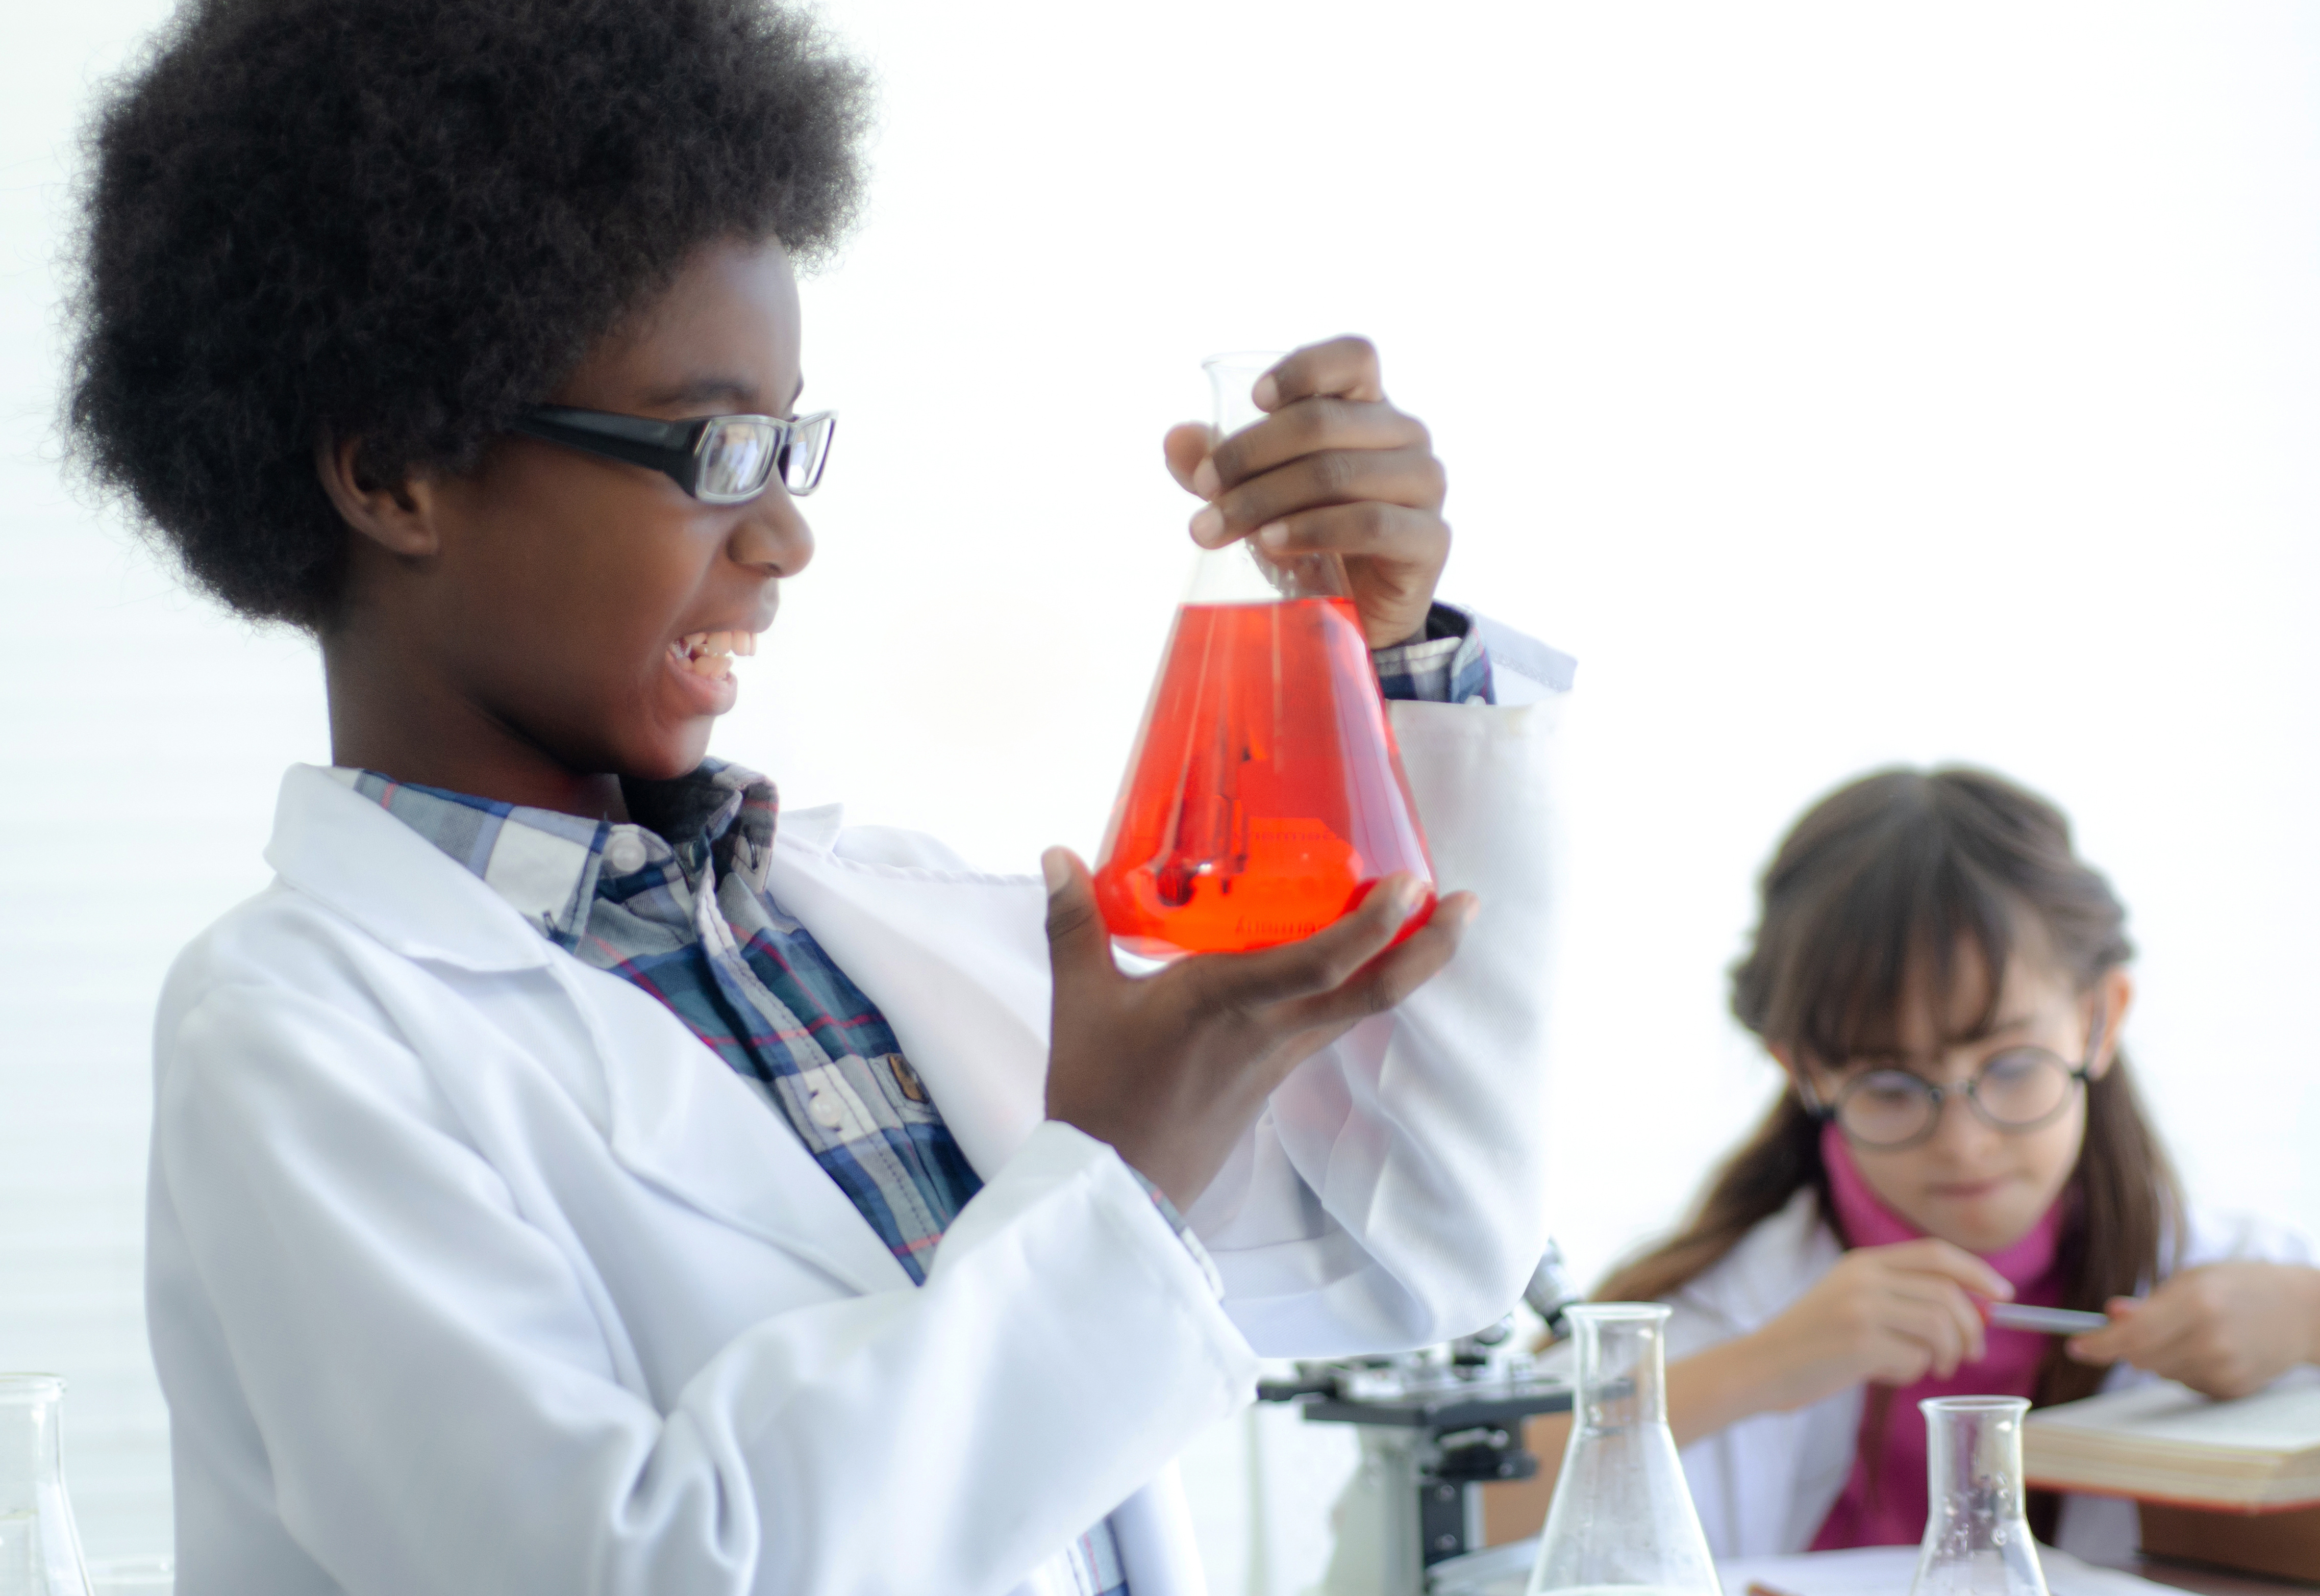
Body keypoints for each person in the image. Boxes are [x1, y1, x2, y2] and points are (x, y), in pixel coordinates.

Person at [64, 2, 1573, 1591]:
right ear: (392, 477)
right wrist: (1113, 1177)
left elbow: (1410, 1241)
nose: (783, 537)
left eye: (789, 447)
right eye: (716, 448)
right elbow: (632, 1569)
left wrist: (1381, 655)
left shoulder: (862, 934)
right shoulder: (299, 1034)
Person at [1562, 767, 2320, 1561]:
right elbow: (1470, 1503)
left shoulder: (2225, 1271)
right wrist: (1767, 1367)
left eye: (2009, 1068)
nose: (1964, 1141)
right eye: (1892, 1085)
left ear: (2098, 1019)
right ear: (1806, 1070)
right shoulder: (1726, 1305)